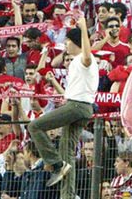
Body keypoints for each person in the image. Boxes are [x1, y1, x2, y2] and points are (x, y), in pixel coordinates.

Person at [28, 16, 96, 192]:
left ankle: (55, 164)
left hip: (77, 107)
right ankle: (68, 194)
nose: (65, 45)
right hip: (78, 106)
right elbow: (69, 94)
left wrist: (83, 29)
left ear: (76, 42)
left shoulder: (83, 58)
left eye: (68, 42)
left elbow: (87, 57)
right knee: (67, 155)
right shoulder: (74, 63)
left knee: (34, 126)